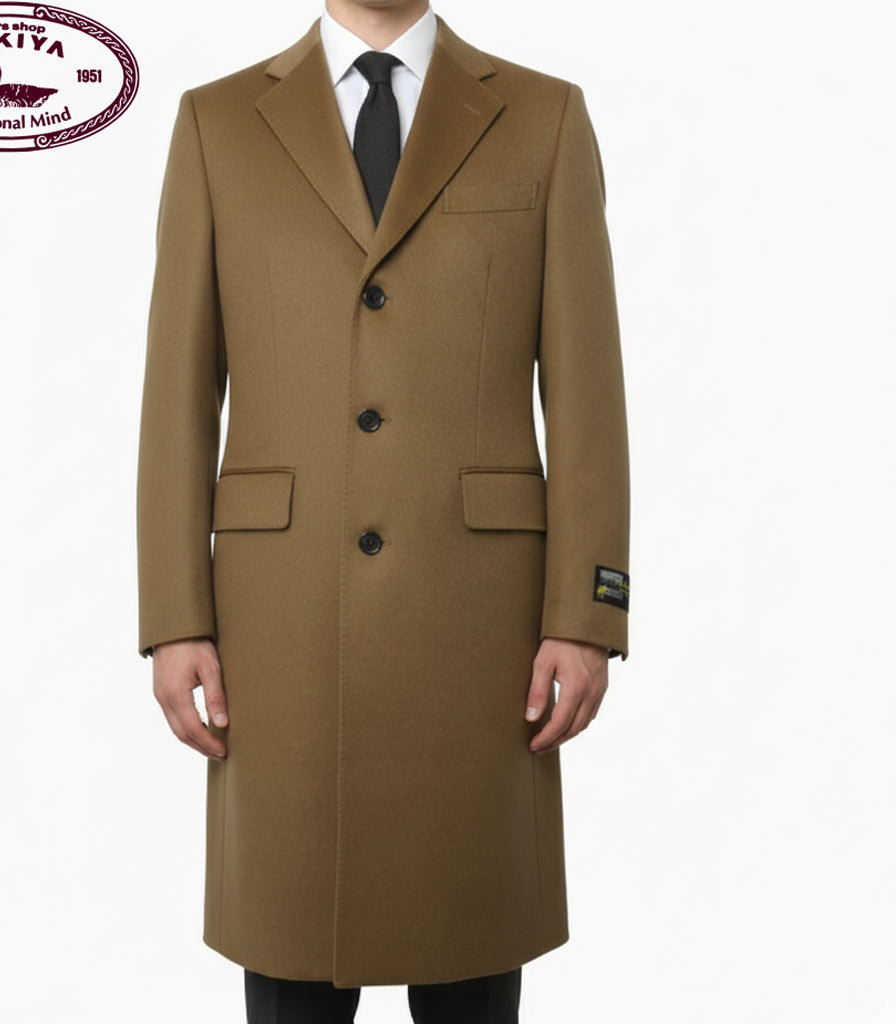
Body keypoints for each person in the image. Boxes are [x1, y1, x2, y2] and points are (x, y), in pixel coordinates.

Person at [136, 0, 630, 1020]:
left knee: (471, 962)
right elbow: (177, 392)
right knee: (289, 965)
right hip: (281, 629)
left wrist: (587, 615)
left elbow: (587, 394)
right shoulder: (215, 125)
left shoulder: (542, 118)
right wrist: (175, 616)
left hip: (479, 630)